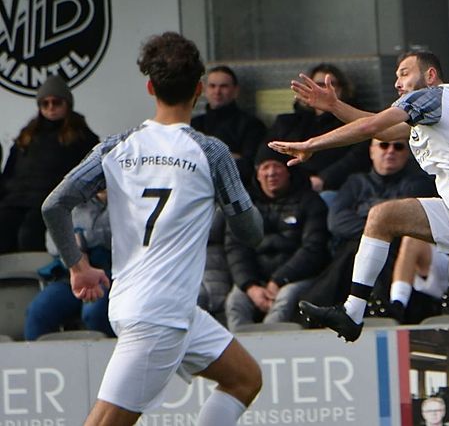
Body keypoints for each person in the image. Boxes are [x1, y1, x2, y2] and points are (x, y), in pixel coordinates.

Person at [268, 51, 449, 424]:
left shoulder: (434, 96)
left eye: (404, 73)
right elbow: (380, 128)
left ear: (430, 75)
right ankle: (352, 312)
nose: (397, 82)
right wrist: (334, 105)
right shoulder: (433, 109)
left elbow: (370, 130)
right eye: (396, 75)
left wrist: (311, 144)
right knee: (383, 215)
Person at [40, 32, 264, 425]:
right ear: (198, 89)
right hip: (159, 314)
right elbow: (251, 234)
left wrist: (78, 266)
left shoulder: (116, 147)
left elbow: (55, 204)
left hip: (160, 307)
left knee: (244, 378)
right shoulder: (211, 152)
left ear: (150, 87)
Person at [299, 136, 436, 316]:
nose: (390, 151)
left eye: (398, 147)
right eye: (384, 145)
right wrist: (379, 228)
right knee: (357, 249)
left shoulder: (418, 184)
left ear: (407, 154)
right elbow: (337, 222)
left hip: (398, 254)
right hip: (352, 250)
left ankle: (380, 308)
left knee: (372, 248)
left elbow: (410, 225)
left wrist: (376, 226)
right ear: (372, 151)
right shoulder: (355, 183)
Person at [223, 145, 330, 331]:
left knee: (285, 299)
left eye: (277, 166)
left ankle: (270, 352)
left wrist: (279, 280)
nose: (271, 173)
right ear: (257, 175)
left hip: (297, 279)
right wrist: (250, 286)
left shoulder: (310, 202)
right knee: (235, 302)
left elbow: (314, 248)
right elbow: (236, 248)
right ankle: (239, 353)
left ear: (288, 171)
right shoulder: (244, 206)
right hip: (256, 281)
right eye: (265, 168)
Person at [1, 75, 98, 252]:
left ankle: (42, 277)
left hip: (51, 201)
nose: (51, 108)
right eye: (45, 103)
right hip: (15, 200)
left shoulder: (82, 136)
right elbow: (8, 173)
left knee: (29, 234)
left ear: (67, 103)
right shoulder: (27, 134)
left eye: (56, 102)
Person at [265, 64, 370, 194]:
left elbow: (357, 157)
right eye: (318, 84)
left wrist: (324, 179)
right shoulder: (288, 122)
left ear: (341, 90)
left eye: (331, 85)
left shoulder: (355, 120)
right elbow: (267, 154)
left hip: (335, 187)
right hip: (291, 187)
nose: (323, 90)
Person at [24, 191, 113, 340]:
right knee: (38, 312)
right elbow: (52, 241)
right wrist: (74, 247)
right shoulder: (74, 199)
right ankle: (41, 360)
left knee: (94, 312)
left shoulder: (128, 200)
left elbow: (123, 237)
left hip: (110, 274)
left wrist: (81, 239)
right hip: (72, 274)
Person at [190, 65, 266, 185]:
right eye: (212, 86)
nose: (217, 91)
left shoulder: (252, 126)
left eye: (223, 86)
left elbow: (249, 167)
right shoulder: (193, 125)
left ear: (235, 91)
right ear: (204, 90)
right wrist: (229, 157)